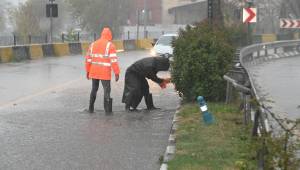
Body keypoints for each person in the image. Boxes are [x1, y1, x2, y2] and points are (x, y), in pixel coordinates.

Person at [85, 27, 120, 114]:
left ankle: (90, 108)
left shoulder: (92, 44)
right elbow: (113, 60)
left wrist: (88, 71)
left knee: (94, 89)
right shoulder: (110, 45)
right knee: (107, 91)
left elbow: (88, 59)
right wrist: (117, 73)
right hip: (104, 73)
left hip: (94, 72)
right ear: (109, 35)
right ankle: (107, 111)